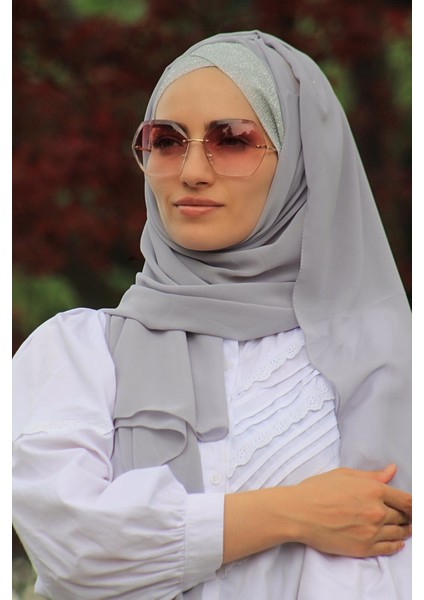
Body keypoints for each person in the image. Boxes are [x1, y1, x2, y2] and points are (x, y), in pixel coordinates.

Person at [12, 30, 412, 599]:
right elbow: (74, 551)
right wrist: (293, 513)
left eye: (233, 140)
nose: (192, 171)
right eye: (166, 140)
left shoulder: (388, 360)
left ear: (301, 162)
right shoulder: (80, 352)